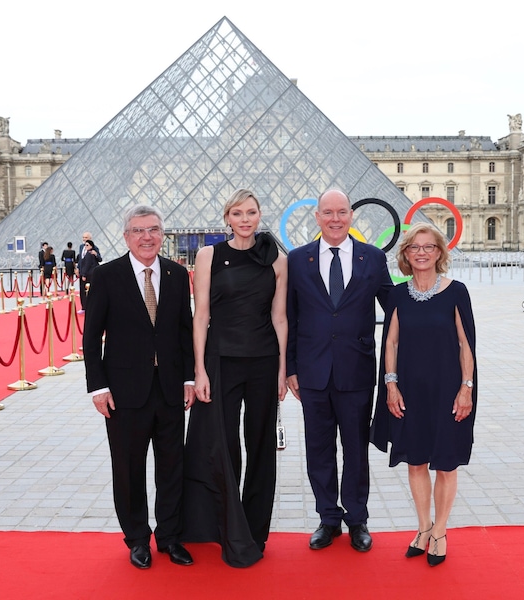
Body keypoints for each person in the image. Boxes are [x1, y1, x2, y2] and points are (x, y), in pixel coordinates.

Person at [82, 205, 195, 571]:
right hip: (124, 392)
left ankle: (170, 537)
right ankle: (136, 539)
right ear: (126, 236)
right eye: (138, 230)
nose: (147, 236)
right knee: (128, 469)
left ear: (162, 234)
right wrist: (97, 386)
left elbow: (184, 331)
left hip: (169, 390)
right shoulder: (106, 275)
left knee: (172, 467)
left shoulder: (177, 274)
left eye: (154, 230)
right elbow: (91, 336)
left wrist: (189, 379)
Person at [183, 189, 287, 567]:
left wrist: (281, 370)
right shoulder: (209, 255)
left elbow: (279, 317)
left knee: (260, 447)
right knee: (224, 447)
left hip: (262, 361)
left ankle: (255, 531)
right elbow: (200, 316)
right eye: (238, 213)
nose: (245, 219)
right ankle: (230, 530)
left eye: (252, 212)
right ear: (227, 217)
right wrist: (199, 371)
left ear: (260, 215)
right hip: (221, 360)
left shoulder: (276, 258)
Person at [286, 189, 392, 553]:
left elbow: (393, 308)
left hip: (356, 369)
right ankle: (328, 518)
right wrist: (289, 367)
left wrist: (434, 296)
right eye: (327, 212)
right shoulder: (297, 260)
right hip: (312, 371)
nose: (335, 218)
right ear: (316, 217)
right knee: (318, 449)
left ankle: (357, 518)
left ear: (351, 216)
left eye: (342, 212)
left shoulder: (373, 258)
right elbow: (289, 316)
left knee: (356, 449)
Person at [370, 222, 477, 567]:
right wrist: (390, 385)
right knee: (416, 460)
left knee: (445, 462)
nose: (421, 252)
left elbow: (466, 344)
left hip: (448, 391)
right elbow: (391, 342)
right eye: (414, 247)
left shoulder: (457, 291)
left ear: (439, 253)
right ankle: (423, 527)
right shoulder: (398, 295)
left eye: (428, 247)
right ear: (405, 254)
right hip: (409, 392)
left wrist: (466, 388)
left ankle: (441, 531)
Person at [77, 239, 98, 312]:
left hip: (88, 274)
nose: (85, 246)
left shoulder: (89, 254)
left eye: (87, 245)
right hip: (91, 273)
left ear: (91, 246)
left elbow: (87, 265)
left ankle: (86, 307)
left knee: (84, 290)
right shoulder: (90, 253)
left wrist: (83, 274)